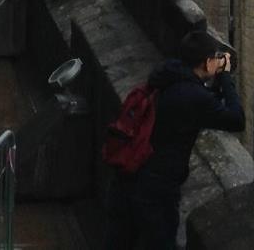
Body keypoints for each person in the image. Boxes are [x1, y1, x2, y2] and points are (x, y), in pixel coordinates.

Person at [104, 29, 245, 250]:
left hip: (128, 178)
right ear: (207, 63)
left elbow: (202, 103)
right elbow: (236, 119)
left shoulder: (167, 76)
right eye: (215, 58)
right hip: (156, 189)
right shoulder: (193, 96)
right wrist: (226, 77)